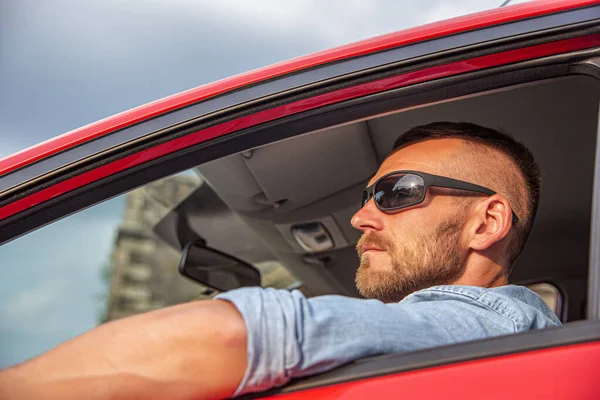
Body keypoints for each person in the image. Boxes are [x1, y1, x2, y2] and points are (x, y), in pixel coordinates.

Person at [0, 122, 561, 400]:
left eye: (396, 193)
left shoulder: (489, 320)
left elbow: (238, 337)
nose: (362, 219)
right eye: (366, 199)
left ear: (487, 222)